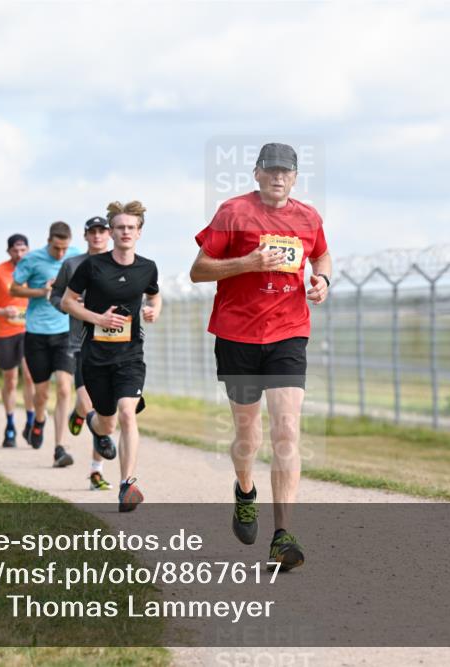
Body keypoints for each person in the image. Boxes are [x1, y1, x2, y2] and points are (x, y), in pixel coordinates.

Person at [189, 142, 331, 571]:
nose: (277, 177)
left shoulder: (308, 217)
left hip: (288, 334)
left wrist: (322, 279)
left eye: (285, 171)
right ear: (255, 173)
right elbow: (198, 270)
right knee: (247, 437)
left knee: (287, 429)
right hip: (238, 335)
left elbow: (321, 253)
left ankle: (282, 535)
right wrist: (248, 263)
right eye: (270, 170)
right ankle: (245, 491)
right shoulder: (233, 212)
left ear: (295, 177)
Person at [62, 201, 161, 512]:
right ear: (112, 232)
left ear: (139, 232)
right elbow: (68, 302)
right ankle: (90, 420)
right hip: (96, 356)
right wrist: (97, 318)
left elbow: (154, 294)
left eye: (131, 227)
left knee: (127, 414)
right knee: (106, 424)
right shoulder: (92, 266)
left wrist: (152, 310)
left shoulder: (147, 267)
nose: (126, 232)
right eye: (120, 227)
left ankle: (126, 483)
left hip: (130, 355)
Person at [11, 222, 82, 466]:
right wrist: (42, 291)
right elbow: (15, 289)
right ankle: (39, 420)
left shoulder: (76, 256)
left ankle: (59, 448)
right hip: (37, 333)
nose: (61, 253)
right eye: (56, 248)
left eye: (64, 248)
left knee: (64, 388)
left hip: (65, 332)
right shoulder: (32, 260)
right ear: (49, 241)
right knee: (41, 394)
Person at [53, 215, 114, 490]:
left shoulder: (120, 263)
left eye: (103, 231)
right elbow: (55, 296)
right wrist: (71, 303)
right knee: (88, 404)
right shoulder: (72, 265)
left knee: (105, 410)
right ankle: (80, 415)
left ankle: (96, 472)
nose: (98, 236)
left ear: (109, 235)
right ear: (86, 236)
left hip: (114, 346)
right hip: (80, 343)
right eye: (93, 232)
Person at [0, 234, 36, 448]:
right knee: (10, 379)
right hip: (5, 331)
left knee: (30, 376)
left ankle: (31, 422)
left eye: (23, 250)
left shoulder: (35, 269)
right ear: (8, 251)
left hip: (30, 329)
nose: (19, 254)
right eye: (15, 250)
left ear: (28, 250)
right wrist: (0, 311)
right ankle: (10, 423)